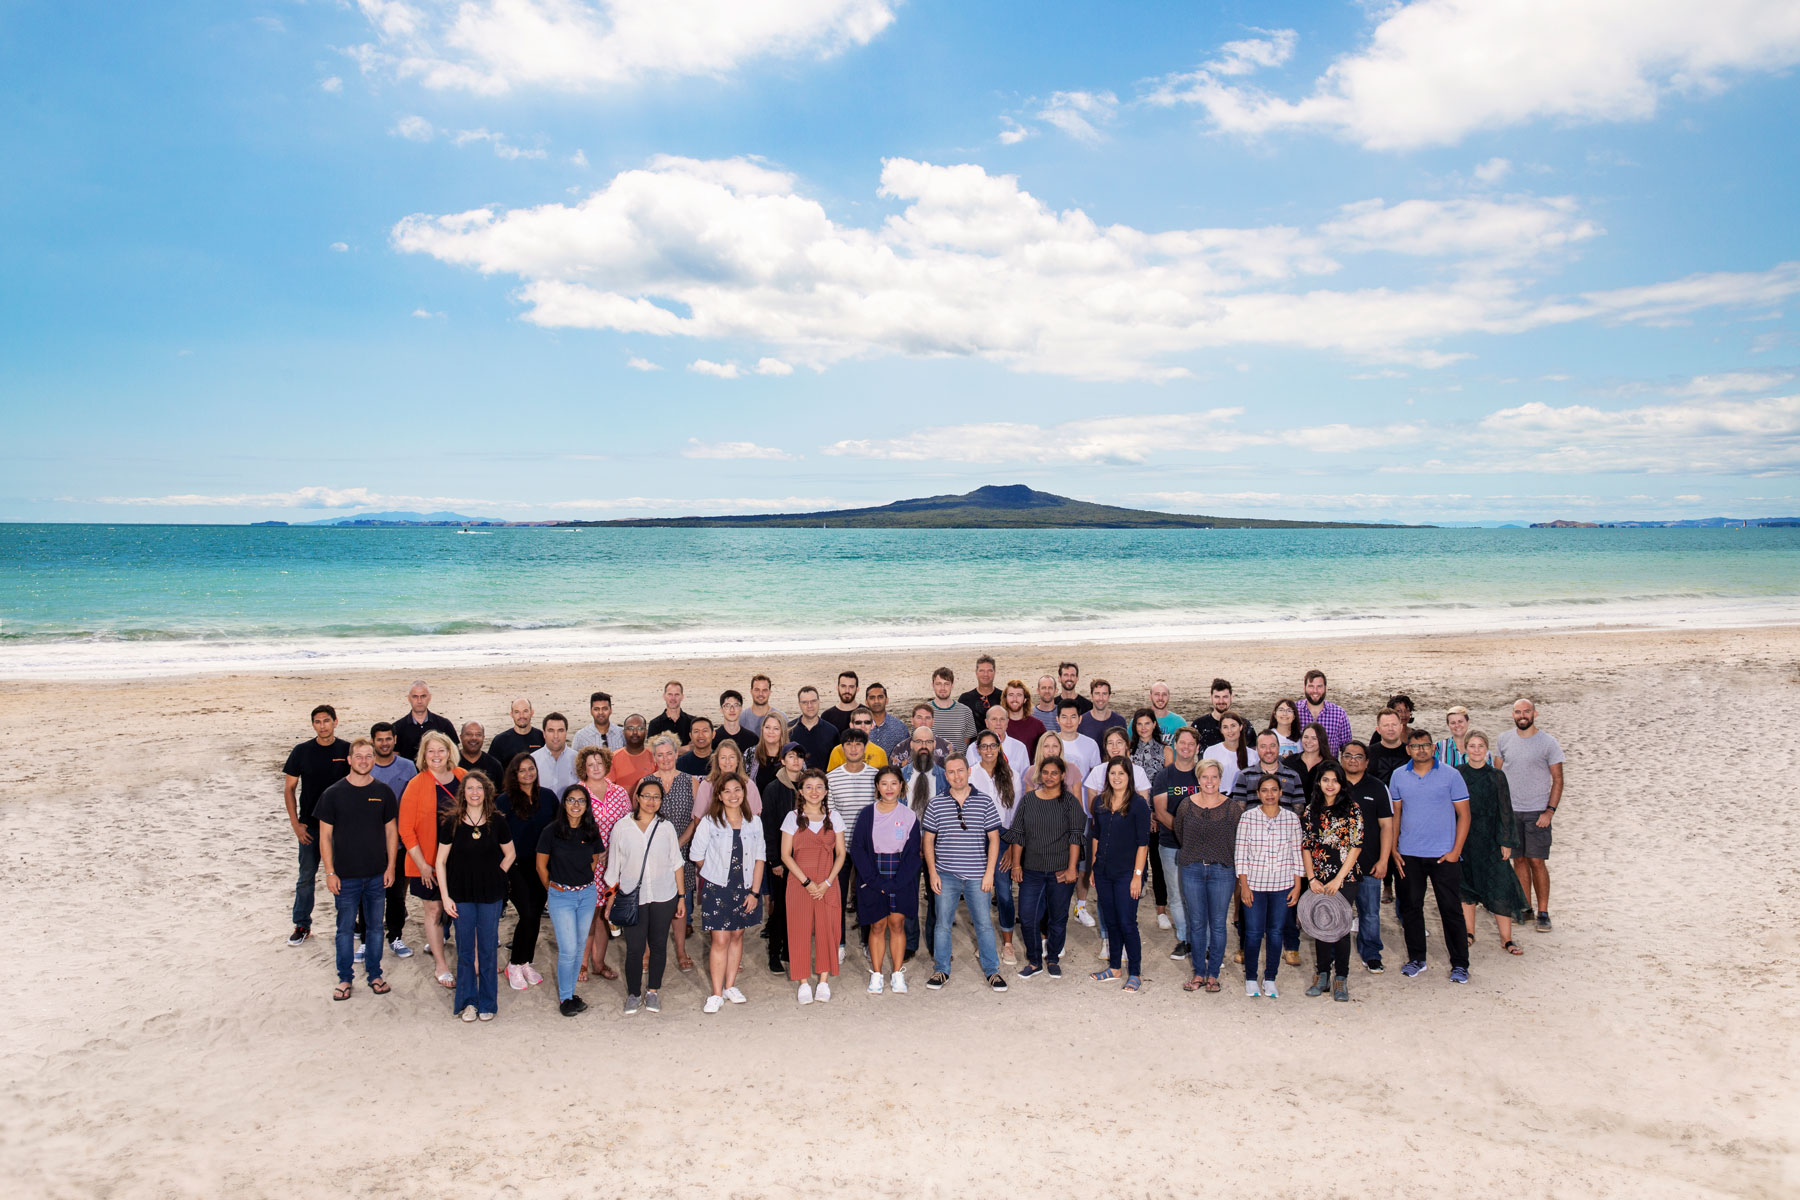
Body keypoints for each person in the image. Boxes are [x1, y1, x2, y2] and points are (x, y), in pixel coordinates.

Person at [315, 738, 398, 1001]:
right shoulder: (333, 794)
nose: (364, 760)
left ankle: (374, 973)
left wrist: (391, 867)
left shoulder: (383, 792)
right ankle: (344, 978)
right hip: (345, 877)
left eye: (369, 756)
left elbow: (391, 832)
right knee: (345, 929)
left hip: (376, 875)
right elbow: (325, 837)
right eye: (359, 756)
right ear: (349, 760)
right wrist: (329, 872)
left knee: (375, 928)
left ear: (374, 760)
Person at [1389, 729, 1472, 983]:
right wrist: (1393, 849)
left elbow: (1465, 815)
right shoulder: (1398, 776)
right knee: (1411, 908)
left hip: (1443, 856)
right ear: (1408, 750)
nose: (1421, 750)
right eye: (1415, 746)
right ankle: (1417, 959)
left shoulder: (1451, 775)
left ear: (1433, 747)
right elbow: (1396, 815)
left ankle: (1460, 964)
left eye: (1425, 745)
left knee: (1450, 910)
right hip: (1409, 855)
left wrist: (1455, 851)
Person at [603, 776, 686, 1015]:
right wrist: (610, 902)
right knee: (635, 948)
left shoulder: (666, 827)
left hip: (664, 895)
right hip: (632, 897)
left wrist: (681, 897)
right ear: (637, 798)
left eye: (656, 797)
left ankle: (653, 992)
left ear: (661, 801)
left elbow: (676, 863)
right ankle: (633, 993)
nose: (651, 801)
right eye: (646, 796)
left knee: (659, 945)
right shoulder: (622, 827)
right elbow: (614, 869)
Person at [922, 756, 1006, 992]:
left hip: (977, 874)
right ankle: (941, 969)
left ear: (969, 772)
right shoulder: (936, 803)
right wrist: (932, 873)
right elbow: (928, 840)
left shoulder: (985, 802)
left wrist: (989, 873)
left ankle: (993, 971)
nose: (957, 776)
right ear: (945, 775)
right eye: (951, 772)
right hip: (946, 875)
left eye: (960, 770)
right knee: (942, 924)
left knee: (984, 924)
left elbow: (994, 839)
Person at [436, 771, 514, 1022]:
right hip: (461, 895)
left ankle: (488, 1002)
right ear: (463, 793)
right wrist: (446, 897)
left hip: (491, 895)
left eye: (479, 788)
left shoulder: (497, 821)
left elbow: (510, 854)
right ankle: (468, 1002)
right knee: (466, 951)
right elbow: (440, 862)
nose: (474, 793)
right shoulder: (452, 822)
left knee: (489, 950)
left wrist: (497, 874)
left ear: (486, 791)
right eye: (470, 788)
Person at [690, 776, 766, 1013]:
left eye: (737, 790)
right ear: (719, 795)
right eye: (727, 791)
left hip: (746, 887)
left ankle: (730, 986)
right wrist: (714, 874)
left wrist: (755, 892)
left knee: (737, 935)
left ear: (744, 792)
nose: (733, 795)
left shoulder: (754, 822)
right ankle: (715, 993)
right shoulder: (710, 822)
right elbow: (696, 855)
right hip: (717, 888)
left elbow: (759, 858)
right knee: (720, 939)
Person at [1004, 755, 1084, 980]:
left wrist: (1071, 869)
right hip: (1032, 870)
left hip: (1060, 870)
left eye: (1054, 773)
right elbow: (1019, 834)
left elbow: (1076, 838)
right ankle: (1034, 960)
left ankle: (1053, 959)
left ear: (1062, 776)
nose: (1049, 777)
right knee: (1028, 916)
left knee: (1057, 917)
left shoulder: (1070, 802)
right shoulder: (1029, 801)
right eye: (1046, 772)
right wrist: (1017, 864)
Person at [398, 730, 464, 990]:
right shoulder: (416, 784)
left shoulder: (461, 777)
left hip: (460, 861)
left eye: (441, 750)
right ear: (424, 755)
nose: (436, 755)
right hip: (426, 862)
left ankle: (472, 959)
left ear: (450, 752)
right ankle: (441, 964)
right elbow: (405, 829)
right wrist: (423, 864)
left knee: (463, 911)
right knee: (435, 910)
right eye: (431, 751)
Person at [1458, 730, 1532, 955]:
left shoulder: (1497, 776)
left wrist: (1506, 841)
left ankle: (1506, 939)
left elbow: (1505, 810)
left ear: (1487, 750)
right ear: (1465, 749)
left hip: (1491, 840)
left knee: (1500, 886)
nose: (1476, 750)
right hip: (1465, 839)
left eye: (1481, 746)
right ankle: (1469, 933)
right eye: (1472, 746)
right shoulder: (1457, 774)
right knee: (1465, 888)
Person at [281, 704, 350, 946]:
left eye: (326, 721)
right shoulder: (301, 751)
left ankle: (349, 925)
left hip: (340, 828)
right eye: (318, 722)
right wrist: (295, 824)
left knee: (344, 877)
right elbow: (289, 789)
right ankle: (302, 925)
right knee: (306, 877)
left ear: (335, 722)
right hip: (310, 826)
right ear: (313, 725)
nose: (322, 726)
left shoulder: (346, 749)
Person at [850, 766, 922, 994]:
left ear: (901, 785)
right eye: (884, 783)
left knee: (897, 924)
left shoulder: (909, 816)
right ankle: (877, 974)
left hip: (901, 875)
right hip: (873, 874)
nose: (889, 788)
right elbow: (858, 849)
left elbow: (913, 854)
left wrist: (897, 882)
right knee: (877, 925)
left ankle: (898, 973)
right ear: (877, 787)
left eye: (894, 783)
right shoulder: (866, 814)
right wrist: (875, 881)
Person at [1495, 698, 1564, 933]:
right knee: (1519, 860)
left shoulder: (1548, 743)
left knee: (1537, 861)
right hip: (1511, 812)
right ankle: (1526, 907)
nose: (1522, 715)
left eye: (1526, 711)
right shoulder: (1504, 740)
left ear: (1535, 713)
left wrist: (1550, 811)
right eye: (1517, 712)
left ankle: (1543, 911)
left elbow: (1558, 779)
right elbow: (1496, 776)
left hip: (1537, 812)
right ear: (1513, 715)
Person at [1086, 757, 1152, 991]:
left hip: (1127, 873)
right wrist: (1094, 867)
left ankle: (1135, 972)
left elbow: (1143, 843)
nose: (1116, 778)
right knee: (1111, 921)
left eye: (1121, 774)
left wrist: (1137, 875)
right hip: (1103, 871)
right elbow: (1096, 836)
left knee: (1127, 922)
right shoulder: (1101, 803)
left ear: (1129, 777)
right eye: (1113, 773)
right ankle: (1114, 968)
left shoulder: (1139, 804)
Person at [1300, 763, 1364, 1002]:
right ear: (1319, 782)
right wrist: (1312, 878)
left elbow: (1356, 846)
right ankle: (1322, 974)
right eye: (1325, 780)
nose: (1330, 784)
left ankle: (1341, 978)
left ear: (1341, 783)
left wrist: (1338, 879)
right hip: (1319, 877)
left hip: (1345, 877)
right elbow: (1306, 846)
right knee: (1321, 925)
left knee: (1341, 927)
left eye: (1334, 780)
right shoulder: (1310, 810)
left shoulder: (1352, 809)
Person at [780, 769, 846, 1003]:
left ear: (826, 791)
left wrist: (827, 882)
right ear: (800, 791)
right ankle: (803, 982)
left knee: (828, 930)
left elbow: (841, 853)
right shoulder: (792, 818)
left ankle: (824, 981)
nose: (814, 791)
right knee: (798, 931)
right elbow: (786, 855)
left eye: (819, 787)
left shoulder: (834, 817)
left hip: (828, 883)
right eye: (808, 787)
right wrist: (807, 882)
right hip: (799, 883)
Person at [1235, 775, 1303, 999]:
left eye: (1274, 790)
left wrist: (1297, 885)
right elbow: (1241, 855)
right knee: (1253, 934)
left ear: (1281, 793)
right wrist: (1243, 886)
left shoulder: (1292, 819)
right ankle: (1251, 978)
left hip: (1282, 885)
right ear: (1258, 793)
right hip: (1254, 884)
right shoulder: (1247, 818)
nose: (1270, 794)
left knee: (1275, 933)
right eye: (1265, 790)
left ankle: (1270, 978)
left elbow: (1297, 854)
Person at [537, 784, 602, 1016]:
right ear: (564, 803)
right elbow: (541, 866)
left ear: (587, 805)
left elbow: (593, 860)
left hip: (586, 895)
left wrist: (580, 882)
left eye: (581, 801)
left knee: (578, 947)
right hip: (560, 896)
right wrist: (555, 889)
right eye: (571, 800)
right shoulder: (551, 831)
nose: (576, 805)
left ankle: (571, 993)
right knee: (567, 949)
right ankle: (565, 999)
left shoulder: (591, 831)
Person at [1173, 758, 1237, 993]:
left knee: (1218, 924)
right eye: (1204, 777)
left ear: (1220, 779)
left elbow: (1237, 840)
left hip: (1222, 871)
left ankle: (1213, 975)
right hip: (1192, 869)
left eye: (1214, 777)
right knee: (1197, 923)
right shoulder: (1185, 805)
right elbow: (1181, 833)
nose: (1209, 781)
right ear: (1198, 779)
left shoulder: (1232, 808)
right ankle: (1199, 973)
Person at [497, 754, 557, 992]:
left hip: (542, 865)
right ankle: (514, 964)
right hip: (515, 865)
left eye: (531, 768)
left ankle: (525, 962)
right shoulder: (504, 801)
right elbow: (498, 834)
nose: (528, 774)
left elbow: (557, 828)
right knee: (529, 913)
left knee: (533, 916)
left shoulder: (548, 797)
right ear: (514, 774)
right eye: (522, 770)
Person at [1338, 741, 1396, 973]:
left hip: (1369, 864)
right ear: (1341, 758)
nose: (1353, 760)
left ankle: (1371, 952)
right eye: (1349, 755)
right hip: (1338, 866)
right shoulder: (1333, 784)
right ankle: (1334, 953)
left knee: (1370, 913)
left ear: (1367, 762)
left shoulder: (1378, 787)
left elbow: (1387, 827)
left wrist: (1383, 861)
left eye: (1359, 756)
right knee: (1338, 912)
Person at [576, 746, 632, 983]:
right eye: (591, 764)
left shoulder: (619, 792)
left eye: (599, 763)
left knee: (603, 916)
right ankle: (582, 963)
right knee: (588, 913)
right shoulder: (578, 792)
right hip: (588, 863)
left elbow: (628, 825)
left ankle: (599, 963)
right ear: (584, 768)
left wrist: (617, 853)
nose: (596, 767)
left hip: (614, 864)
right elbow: (572, 827)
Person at [644, 734, 699, 973]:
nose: (665, 758)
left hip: (682, 851)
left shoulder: (690, 781)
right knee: (650, 902)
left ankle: (680, 950)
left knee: (680, 902)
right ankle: (647, 952)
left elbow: (696, 819)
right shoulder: (645, 782)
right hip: (652, 854)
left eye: (669, 753)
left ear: (677, 754)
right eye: (660, 755)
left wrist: (679, 843)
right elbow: (641, 819)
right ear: (654, 757)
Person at [969, 730, 1022, 964]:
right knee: (979, 892)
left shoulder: (1012, 775)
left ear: (999, 748)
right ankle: (985, 941)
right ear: (978, 749)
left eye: (993, 746)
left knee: (1003, 892)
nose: (989, 750)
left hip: (1003, 836)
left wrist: (1011, 845)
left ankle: (1008, 943)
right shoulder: (970, 774)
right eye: (984, 746)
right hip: (976, 837)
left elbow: (1016, 814)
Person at [1151, 726, 1203, 960]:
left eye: (1191, 744)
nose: (1186, 747)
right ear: (1175, 745)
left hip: (1201, 846)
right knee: (1176, 894)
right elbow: (1161, 812)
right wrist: (1186, 833)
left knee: (1199, 894)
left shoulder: (1203, 775)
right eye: (1182, 743)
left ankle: (1201, 939)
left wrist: (1195, 837)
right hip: (1171, 844)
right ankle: (1185, 939)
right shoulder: (1165, 776)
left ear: (1197, 747)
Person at [366, 721, 416, 958]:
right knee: (369, 893)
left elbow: (414, 802)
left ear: (395, 740)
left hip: (400, 843)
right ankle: (366, 939)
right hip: (371, 843)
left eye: (388, 739)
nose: (384, 743)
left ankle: (395, 936)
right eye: (379, 739)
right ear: (373, 742)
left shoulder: (408, 767)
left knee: (396, 894)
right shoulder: (365, 766)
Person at [757, 741, 805, 974]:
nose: (796, 761)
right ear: (783, 760)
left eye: (799, 757)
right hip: (782, 860)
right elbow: (768, 828)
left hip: (805, 859)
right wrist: (774, 860)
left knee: (799, 908)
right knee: (782, 908)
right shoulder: (773, 789)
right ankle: (775, 952)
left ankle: (790, 949)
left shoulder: (810, 785)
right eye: (791, 756)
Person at [695, 739, 762, 818]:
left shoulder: (749, 785)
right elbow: (698, 819)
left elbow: (755, 818)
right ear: (717, 761)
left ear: (738, 760)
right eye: (723, 758)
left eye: (732, 757)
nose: (727, 762)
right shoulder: (706, 785)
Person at [392, 680, 456, 763]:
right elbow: (394, 758)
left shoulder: (444, 725)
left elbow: (454, 754)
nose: (419, 701)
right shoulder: (397, 727)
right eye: (415, 696)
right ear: (408, 698)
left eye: (423, 696)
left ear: (429, 697)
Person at [1296, 670, 1354, 756]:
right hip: (1299, 767)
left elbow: (1347, 748)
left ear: (1326, 688)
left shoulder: (1339, 714)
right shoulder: (1293, 711)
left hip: (1328, 766)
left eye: (1319, 686)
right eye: (1311, 686)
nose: (1315, 691)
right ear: (1304, 688)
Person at [1053, 701, 1102, 801]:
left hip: (1084, 805)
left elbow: (1097, 778)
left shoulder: (1091, 744)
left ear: (1080, 719)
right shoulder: (1049, 743)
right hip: (1055, 804)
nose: (1069, 721)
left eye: (1073, 717)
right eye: (1064, 717)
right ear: (1057, 719)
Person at [968, 702, 1029, 779]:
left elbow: (1025, 780)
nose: (998, 723)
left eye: (1002, 719)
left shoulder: (1020, 748)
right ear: (986, 723)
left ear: (1007, 722)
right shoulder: (973, 748)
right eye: (994, 719)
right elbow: (970, 779)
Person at [927, 666, 978, 755]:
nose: (942, 688)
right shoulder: (924, 711)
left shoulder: (965, 712)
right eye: (938, 684)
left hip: (958, 764)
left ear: (952, 685)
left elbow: (966, 743)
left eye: (946, 684)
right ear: (933, 685)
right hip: (931, 765)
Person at [1201, 710, 1252, 796]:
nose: (1230, 731)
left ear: (1240, 727)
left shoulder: (1253, 755)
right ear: (1221, 730)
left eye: (1233, 726)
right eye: (1225, 727)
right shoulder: (1211, 752)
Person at [788, 685, 839, 771]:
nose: (809, 705)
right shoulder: (788, 729)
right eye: (805, 702)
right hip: (795, 782)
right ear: (799, 704)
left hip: (824, 782)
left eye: (813, 701)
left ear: (819, 702)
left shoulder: (832, 731)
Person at [530, 713, 579, 798]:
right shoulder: (532, 760)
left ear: (566, 733)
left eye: (560, 730)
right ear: (544, 734)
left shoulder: (578, 759)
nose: (556, 736)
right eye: (551, 730)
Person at [863, 682, 912, 762]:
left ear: (887, 700)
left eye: (880, 697)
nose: (876, 701)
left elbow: (907, 758)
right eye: (872, 698)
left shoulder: (900, 728)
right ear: (866, 702)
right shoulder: (860, 728)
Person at [490, 697, 546, 766]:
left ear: (531, 712)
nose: (521, 716)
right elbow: (492, 770)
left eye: (525, 711)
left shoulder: (542, 737)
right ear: (511, 714)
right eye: (517, 712)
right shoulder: (500, 741)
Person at [1000, 678, 1047, 758]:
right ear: (1005, 698)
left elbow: (1045, 753)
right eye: (1011, 695)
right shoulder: (998, 725)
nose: (1014, 699)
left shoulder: (1037, 726)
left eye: (1019, 695)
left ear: (1025, 699)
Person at [608, 714, 654, 795]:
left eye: (640, 728)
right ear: (623, 732)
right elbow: (609, 790)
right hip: (620, 806)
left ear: (646, 731)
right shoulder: (612, 758)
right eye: (630, 728)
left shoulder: (655, 758)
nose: (635, 732)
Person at [1284, 723, 1333, 794]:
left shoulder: (1330, 764)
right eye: (1306, 737)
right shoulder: (1289, 762)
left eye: (1314, 738)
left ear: (1321, 740)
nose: (1309, 741)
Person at [1366, 708, 1411, 782]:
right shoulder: (1367, 753)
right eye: (1386, 725)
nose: (1390, 729)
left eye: (1394, 725)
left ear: (1401, 727)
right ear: (1378, 730)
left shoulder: (1411, 752)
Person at [1077, 679, 1127, 745]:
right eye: (1097, 694)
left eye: (1104, 694)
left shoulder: (1120, 721)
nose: (1101, 698)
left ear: (1109, 696)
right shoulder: (1081, 722)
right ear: (1091, 696)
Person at [957, 654, 1002, 727]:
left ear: (994, 672)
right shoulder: (965, 699)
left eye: (989, 671)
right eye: (981, 671)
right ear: (976, 672)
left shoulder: (1003, 697)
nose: (985, 674)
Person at [647, 680, 695, 746]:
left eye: (677, 694)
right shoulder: (654, 724)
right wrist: (686, 749)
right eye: (670, 694)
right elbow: (652, 750)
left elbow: (697, 747)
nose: (673, 698)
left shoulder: (693, 722)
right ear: (664, 696)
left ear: (682, 697)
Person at [905, 703, 954, 768]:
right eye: (919, 718)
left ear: (933, 721)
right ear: (912, 720)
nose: (923, 722)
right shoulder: (900, 749)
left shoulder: (948, 748)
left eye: (927, 718)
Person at [1193, 679, 1234, 751]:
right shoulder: (1199, 725)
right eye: (1217, 697)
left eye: (1225, 697)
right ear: (1211, 697)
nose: (1221, 701)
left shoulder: (1243, 726)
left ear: (1231, 697)